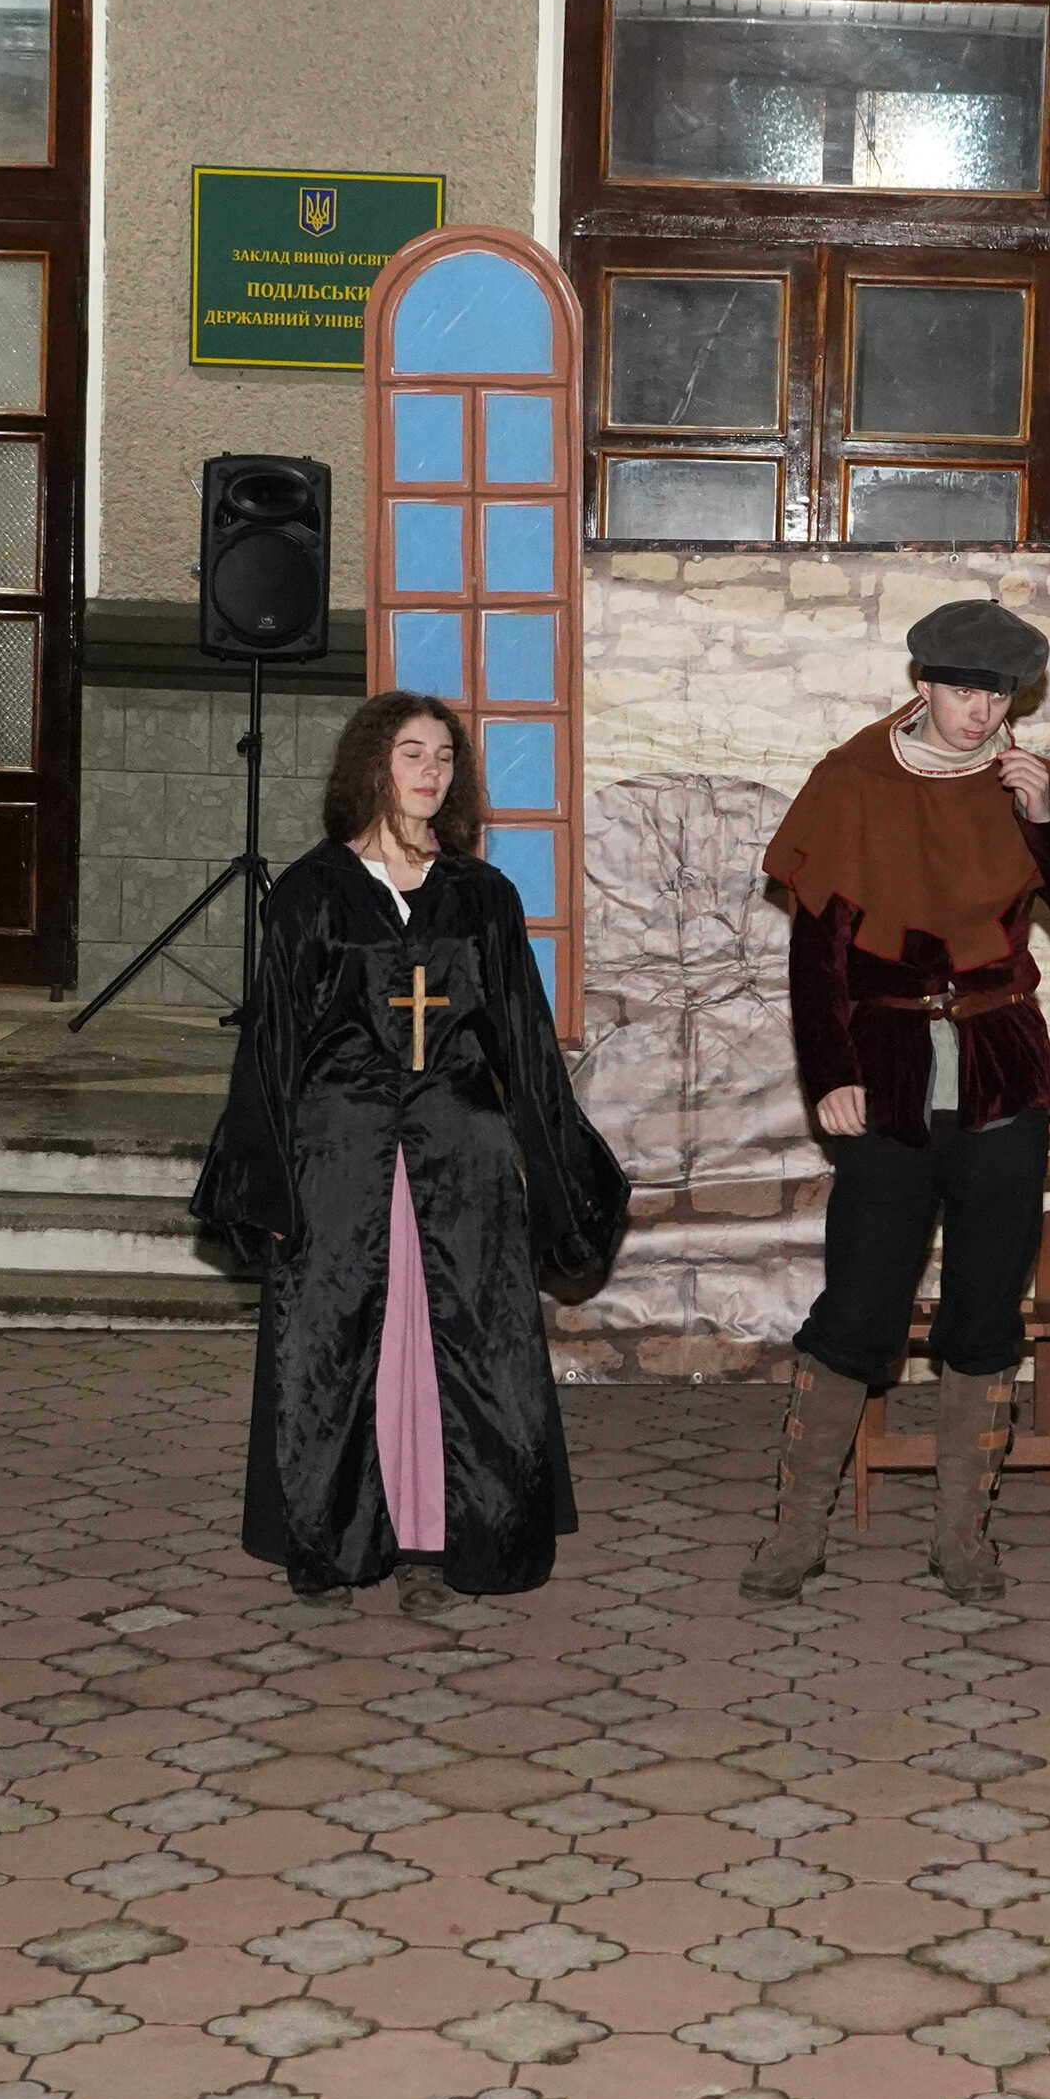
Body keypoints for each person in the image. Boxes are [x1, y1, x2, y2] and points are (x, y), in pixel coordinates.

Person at [194, 692, 628, 1616]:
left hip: (460, 1153)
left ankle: (442, 1538)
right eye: (410, 753)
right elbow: (271, 1043)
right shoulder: (312, 891)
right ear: (371, 765)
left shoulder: (481, 895)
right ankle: (338, 1538)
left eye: (443, 757)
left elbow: (523, 1039)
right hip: (341, 1153)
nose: (430, 771)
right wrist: (256, 1176)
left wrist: (564, 1167)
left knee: (461, 1341)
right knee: (338, 1344)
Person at [744, 598, 1050, 1606]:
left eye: (997, 694)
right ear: (923, 685)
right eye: (962, 690)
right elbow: (814, 957)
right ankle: (794, 1532)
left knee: (985, 1304)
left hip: (1003, 1071)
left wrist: (1047, 822)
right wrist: (830, 1072)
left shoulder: (1028, 785)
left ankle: (962, 1537)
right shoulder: (853, 781)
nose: (979, 711)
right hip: (883, 1073)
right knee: (858, 1302)